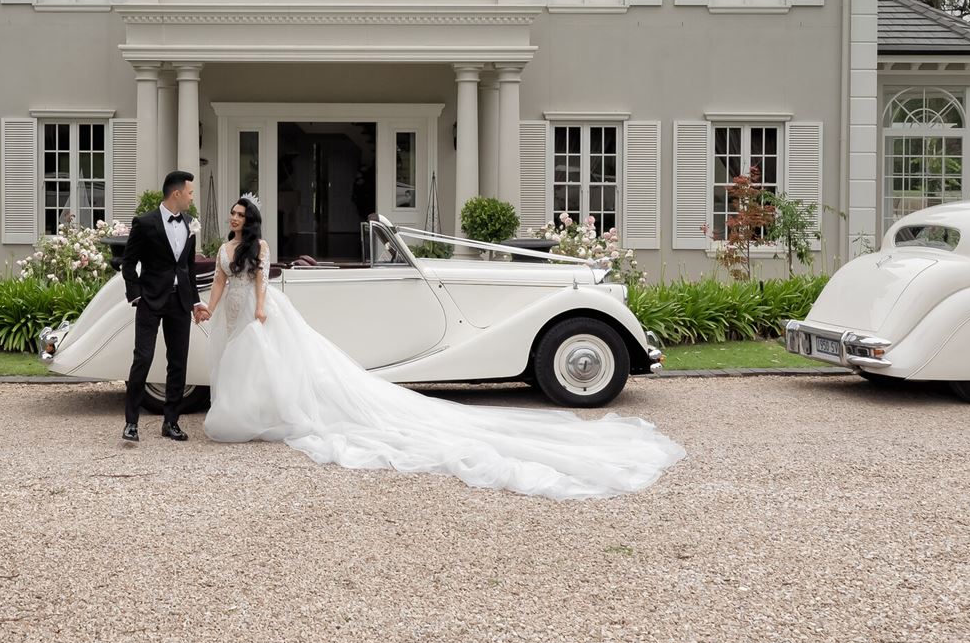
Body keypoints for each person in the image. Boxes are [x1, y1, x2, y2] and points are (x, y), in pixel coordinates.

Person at [199, 195, 684, 499]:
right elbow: (227, 285)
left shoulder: (255, 249)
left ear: (251, 221)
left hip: (258, 308)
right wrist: (213, 308)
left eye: (241, 214)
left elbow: (259, 281)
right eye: (234, 213)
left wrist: (258, 305)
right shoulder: (231, 250)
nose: (236, 218)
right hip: (245, 313)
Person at [119, 170, 206, 442]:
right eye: (190, 193)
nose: (192, 198)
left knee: (178, 362)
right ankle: (131, 423)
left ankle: (171, 422)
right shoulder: (144, 223)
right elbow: (128, 263)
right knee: (142, 359)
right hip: (151, 301)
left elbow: (188, 267)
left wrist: (194, 302)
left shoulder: (191, 223)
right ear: (176, 193)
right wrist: (136, 295)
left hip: (180, 303)